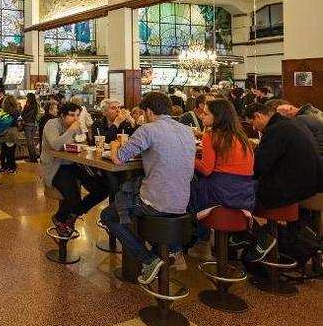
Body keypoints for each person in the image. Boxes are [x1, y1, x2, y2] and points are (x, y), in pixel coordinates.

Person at [100, 92, 196, 285]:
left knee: (109, 216)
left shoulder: (147, 130)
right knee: (130, 196)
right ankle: (172, 248)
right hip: (183, 203)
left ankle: (148, 259)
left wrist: (114, 144)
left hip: (155, 203)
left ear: (149, 111)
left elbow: (119, 159)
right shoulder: (187, 130)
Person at [241, 103, 321, 261]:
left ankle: (257, 237)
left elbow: (258, 167)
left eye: (252, 122)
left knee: (238, 192)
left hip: (290, 189)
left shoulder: (275, 130)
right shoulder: (292, 123)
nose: (254, 127)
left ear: (258, 116)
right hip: (310, 185)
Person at [189, 99, 256, 259]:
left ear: (217, 117)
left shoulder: (210, 136)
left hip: (222, 193)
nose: (202, 116)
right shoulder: (241, 137)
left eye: (206, 114)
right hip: (245, 195)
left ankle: (200, 241)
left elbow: (206, 169)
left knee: (189, 187)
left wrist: (188, 156)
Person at [40, 102, 110, 237]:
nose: (75, 119)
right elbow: (55, 145)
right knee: (74, 198)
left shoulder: (75, 125)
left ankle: (72, 215)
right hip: (56, 167)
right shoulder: (52, 124)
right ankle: (60, 218)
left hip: (75, 164)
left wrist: (80, 134)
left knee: (102, 188)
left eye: (77, 115)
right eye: (71, 115)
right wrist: (71, 130)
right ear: (62, 116)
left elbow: (82, 141)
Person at [0, 95, 21, 173]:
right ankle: (11, 167)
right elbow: (18, 121)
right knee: (11, 151)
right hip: (13, 132)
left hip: (4, 132)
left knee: (4, 150)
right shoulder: (16, 111)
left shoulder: (2, 110)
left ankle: (3, 166)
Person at [21, 93, 40, 163]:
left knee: (29, 142)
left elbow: (24, 115)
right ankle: (33, 157)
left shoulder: (29, 106)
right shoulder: (36, 105)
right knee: (31, 142)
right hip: (34, 125)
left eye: (27, 97)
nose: (26, 99)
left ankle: (33, 158)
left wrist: (25, 108)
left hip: (28, 125)